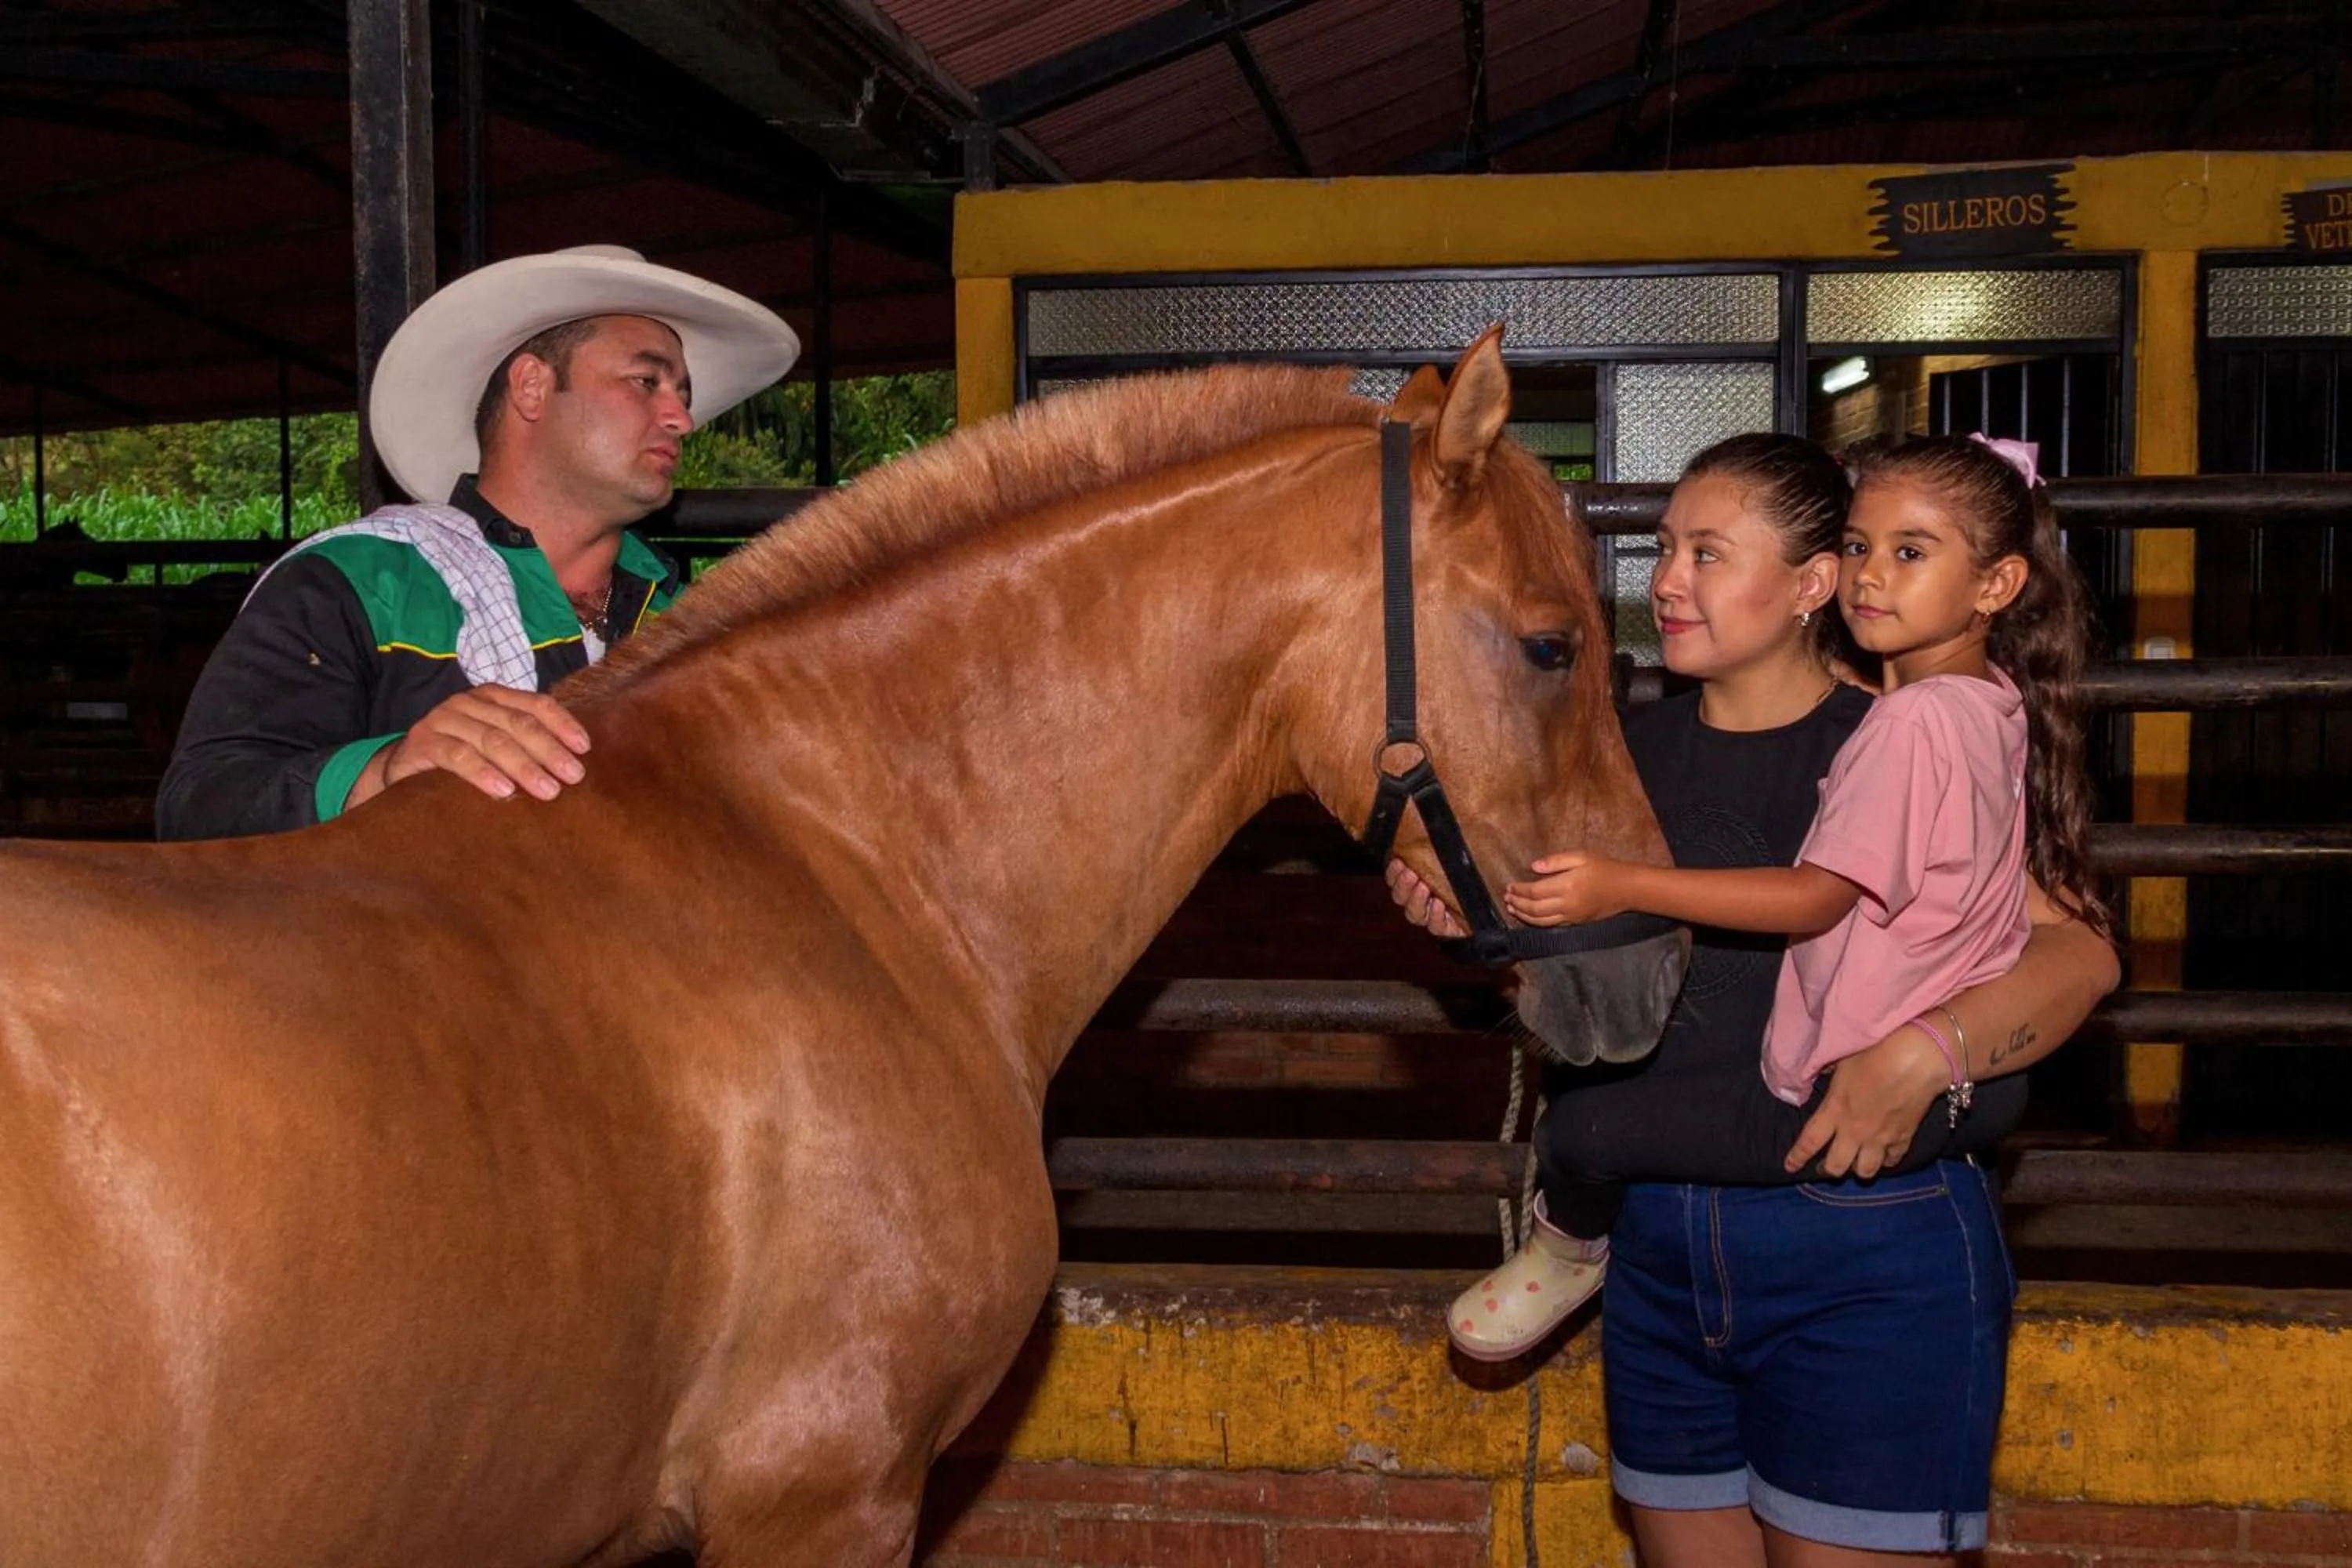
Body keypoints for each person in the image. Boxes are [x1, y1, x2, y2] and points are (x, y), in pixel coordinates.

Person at [1390, 431, 2120, 1566]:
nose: (1666, 582)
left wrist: (1934, 1050)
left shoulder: (1892, 738)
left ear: (1810, 585)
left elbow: (2078, 951)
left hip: (1859, 1232)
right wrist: (1465, 913)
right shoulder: (1610, 750)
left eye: (1706, 553)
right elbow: (1570, 952)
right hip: (1657, 1241)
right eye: (1664, 550)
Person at [155, 245, 800, 840]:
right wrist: (384, 771)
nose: (681, 418)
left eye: (682, 395)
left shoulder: (694, 624)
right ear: (531, 387)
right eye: (646, 381)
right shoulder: (363, 580)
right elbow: (199, 804)